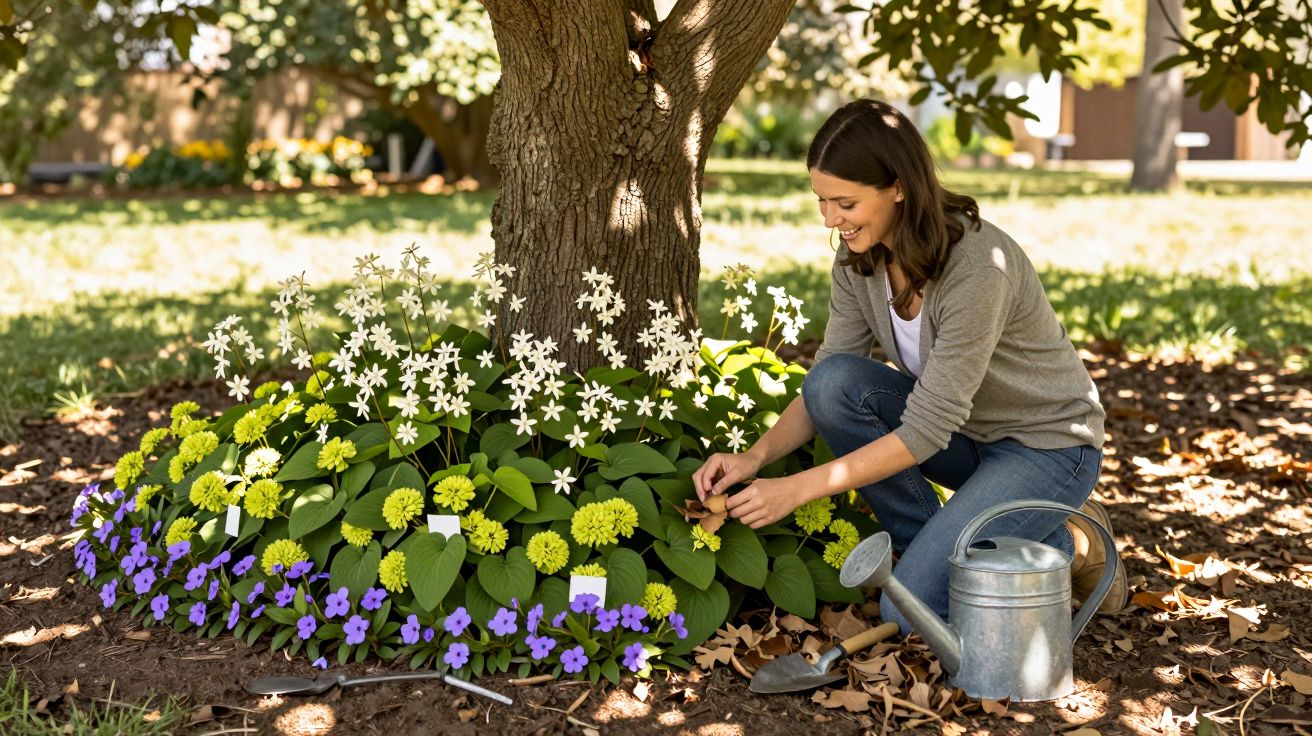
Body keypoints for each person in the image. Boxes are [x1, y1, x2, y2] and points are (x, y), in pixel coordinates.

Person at [691, 99, 1127, 633]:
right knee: (833, 385)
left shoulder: (975, 269)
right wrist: (754, 457)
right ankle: (951, 550)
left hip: (1047, 448)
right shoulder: (861, 257)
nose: (830, 220)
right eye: (821, 201)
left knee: (907, 611)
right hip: (967, 438)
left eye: (844, 203)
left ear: (898, 186)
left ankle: (1069, 541)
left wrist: (797, 488)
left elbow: (923, 430)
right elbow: (829, 375)